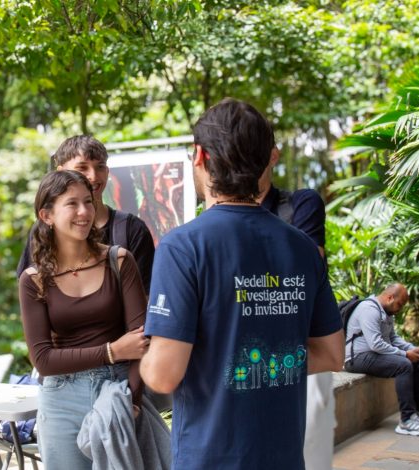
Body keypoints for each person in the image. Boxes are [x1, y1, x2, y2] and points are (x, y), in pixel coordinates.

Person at [139, 98, 345, 470]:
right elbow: (332, 353)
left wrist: (139, 356)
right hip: (283, 457)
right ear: (267, 157)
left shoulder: (183, 247)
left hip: (211, 458)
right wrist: (258, 365)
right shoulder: (301, 247)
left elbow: (162, 375)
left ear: (200, 156)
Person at [19, 170, 149, 469]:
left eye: (88, 202)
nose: (84, 212)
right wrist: (112, 351)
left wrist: (132, 401)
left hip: (116, 391)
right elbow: (43, 360)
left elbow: (142, 343)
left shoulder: (119, 261)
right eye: (72, 204)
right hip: (60, 401)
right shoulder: (34, 280)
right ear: (47, 215)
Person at [258, 150, 334, 469]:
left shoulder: (300, 203)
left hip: (303, 346)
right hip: (249, 355)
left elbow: (303, 270)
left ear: (272, 155)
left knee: (311, 444)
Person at [16, 135, 155, 290]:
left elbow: (145, 298)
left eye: (100, 167)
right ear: (60, 172)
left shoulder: (132, 230)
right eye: (82, 168)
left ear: (108, 171)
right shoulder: (43, 229)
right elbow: (32, 292)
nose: (93, 176)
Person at [344, 283, 419, 437]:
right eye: (400, 304)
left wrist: (412, 349)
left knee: (417, 361)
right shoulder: (369, 309)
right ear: (390, 297)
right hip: (357, 358)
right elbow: (376, 344)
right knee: (404, 365)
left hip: (372, 355)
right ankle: (406, 420)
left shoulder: (386, 312)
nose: (401, 308)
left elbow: (392, 338)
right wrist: (405, 355)